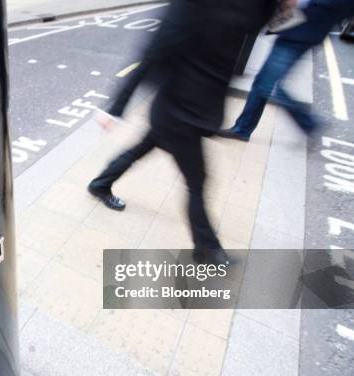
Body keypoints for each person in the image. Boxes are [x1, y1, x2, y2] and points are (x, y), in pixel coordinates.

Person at [87, 0, 276, 262]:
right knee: (197, 182)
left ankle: (100, 184)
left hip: (194, 108)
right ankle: (206, 248)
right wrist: (116, 107)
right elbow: (154, 51)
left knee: (142, 148)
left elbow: (258, 19)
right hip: (177, 110)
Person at [219, 0, 354, 142]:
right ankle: (243, 129)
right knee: (262, 83)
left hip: (303, 34)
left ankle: (309, 123)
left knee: (268, 86)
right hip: (293, 29)